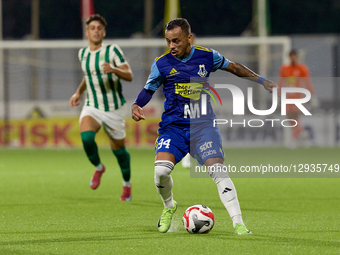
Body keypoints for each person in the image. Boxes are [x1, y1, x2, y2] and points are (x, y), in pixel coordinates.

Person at [132, 18, 276, 234]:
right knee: (161, 172)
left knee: (218, 171)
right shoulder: (161, 63)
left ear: (189, 38)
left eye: (176, 41)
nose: (172, 46)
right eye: (168, 41)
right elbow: (148, 90)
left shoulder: (207, 56)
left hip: (203, 126)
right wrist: (136, 104)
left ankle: (239, 224)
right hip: (174, 128)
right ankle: (169, 206)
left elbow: (234, 67)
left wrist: (261, 80)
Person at [69, 14, 133, 201]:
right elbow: (89, 76)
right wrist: (78, 93)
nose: (96, 31)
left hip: (114, 109)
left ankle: (127, 184)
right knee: (87, 138)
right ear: (87, 32)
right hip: (92, 106)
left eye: (99, 28)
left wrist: (114, 69)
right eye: (92, 28)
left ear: (104, 32)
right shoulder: (83, 54)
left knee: (119, 151)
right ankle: (99, 167)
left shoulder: (112, 50)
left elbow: (129, 75)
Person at [278, 49, 318, 146]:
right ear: (289, 57)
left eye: (295, 56)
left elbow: (307, 82)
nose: (293, 58)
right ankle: (303, 134)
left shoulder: (302, 68)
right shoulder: (284, 69)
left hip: (298, 96)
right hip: (288, 97)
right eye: (291, 56)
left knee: (295, 117)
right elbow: (281, 82)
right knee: (290, 118)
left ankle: (294, 139)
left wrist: (312, 96)